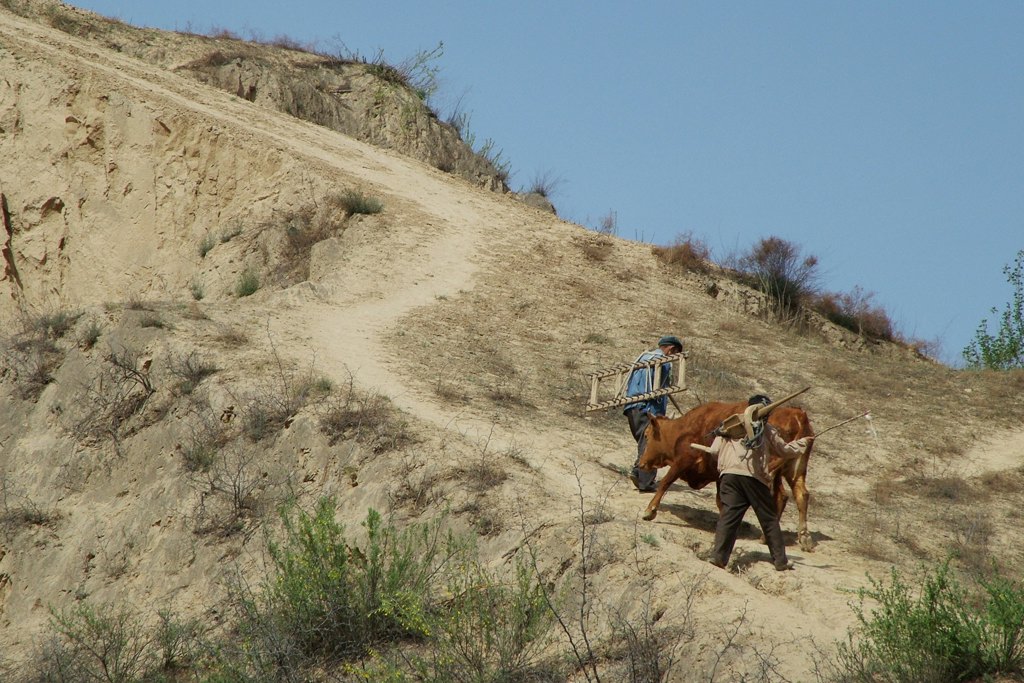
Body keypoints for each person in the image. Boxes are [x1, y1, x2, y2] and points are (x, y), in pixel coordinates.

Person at [703, 394, 812, 571]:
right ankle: (780, 561)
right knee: (769, 519)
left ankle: (718, 558)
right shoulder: (767, 429)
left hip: (729, 477)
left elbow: (715, 450)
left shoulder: (729, 425)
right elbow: (784, 450)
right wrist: (803, 443)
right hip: (753, 478)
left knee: (728, 517)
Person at [623, 335, 683, 492]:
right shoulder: (662, 362)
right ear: (671, 349)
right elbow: (660, 385)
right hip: (648, 407)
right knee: (653, 441)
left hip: (632, 407)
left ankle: (638, 471)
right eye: (675, 353)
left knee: (644, 440)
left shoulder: (643, 357)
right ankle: (646, 482)